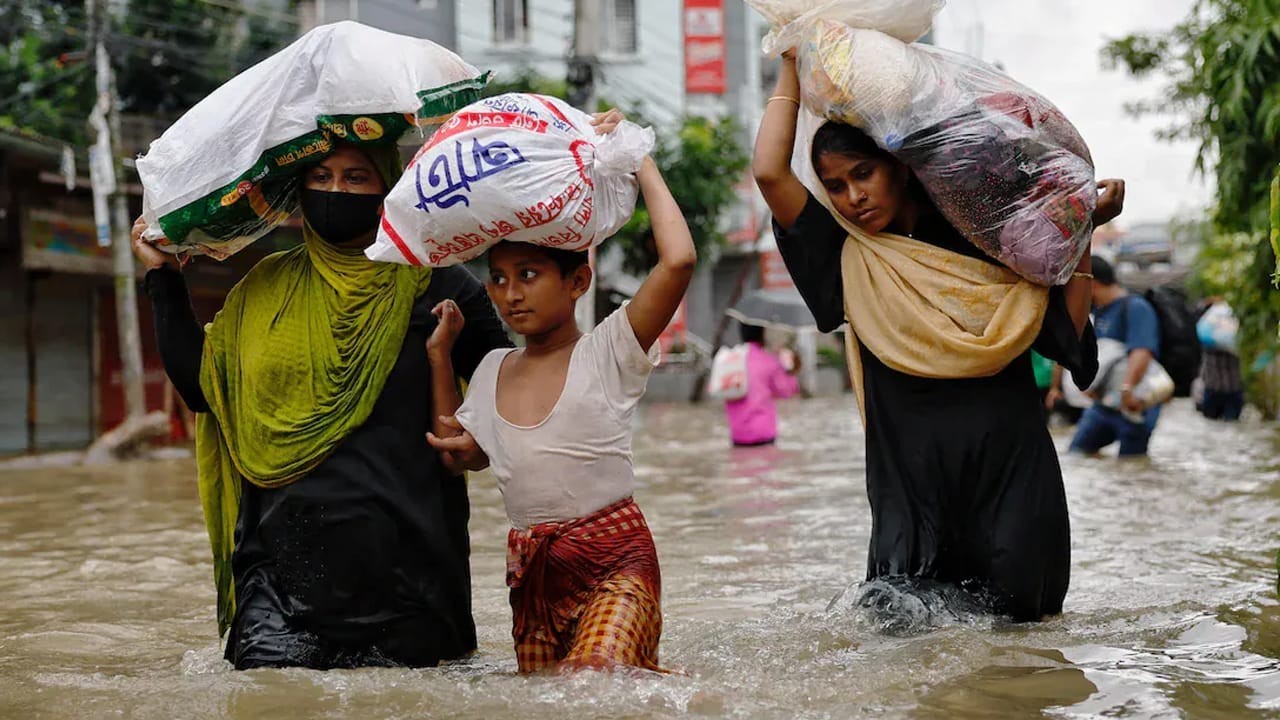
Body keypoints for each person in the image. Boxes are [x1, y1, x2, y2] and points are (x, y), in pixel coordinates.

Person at [752, 51, 1122, 621]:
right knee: (905, 636)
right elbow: (770, 172)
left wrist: (1081, 231)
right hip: (911, 489)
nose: (853, 196)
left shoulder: (984, 235)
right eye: (836, 185)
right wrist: (790, 63)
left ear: (899, 168)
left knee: (1022, 644)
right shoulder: (846, 255)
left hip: (1010, 476)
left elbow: (1064, 337)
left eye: (863, 174)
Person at [130, 141, 512, 670]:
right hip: (279, 583)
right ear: (299, 187)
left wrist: (482, 435)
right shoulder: (264, 289)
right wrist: (164, 277)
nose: (336, 191)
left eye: (357, 178)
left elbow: (510, 389)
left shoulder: (438, 284)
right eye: (322, 176)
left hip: (410, 582)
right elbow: (204, 390)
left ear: (387, 189)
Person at [427, 108, 694, 672]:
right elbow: (459, 456)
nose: (509, 294)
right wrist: (439, 358)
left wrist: (635, 156)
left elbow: (680, 259)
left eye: (529, 275)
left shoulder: (607, 351)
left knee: (593, 681)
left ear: (578, 281)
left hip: (618, 561)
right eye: (497, 278)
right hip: (534, 576)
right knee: (549, 701)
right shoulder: (495, 366)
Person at [1068, 257, 1162, 457]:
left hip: (1133, 402)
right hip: (1103, 404)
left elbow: (1141, 351)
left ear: (1091, 282)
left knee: (1131, 465)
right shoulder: (1098, 311)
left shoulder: (1136, 307)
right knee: (1076, 453)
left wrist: (1127, 389)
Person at [725, 323, 801, 446]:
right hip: (763, 432)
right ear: (762, 333)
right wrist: (789, 369)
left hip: (737, 434)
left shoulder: (732, 358)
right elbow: (786, 392)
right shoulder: (768, 360)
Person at [1196, 297, 1245, 421]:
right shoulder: (1235, 326)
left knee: (1211, 425)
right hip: (1232, 388)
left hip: (1214, 388)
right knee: (1230, 426)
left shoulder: (1209, 328)